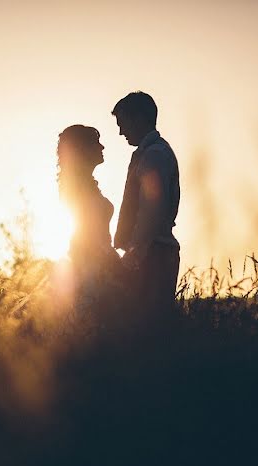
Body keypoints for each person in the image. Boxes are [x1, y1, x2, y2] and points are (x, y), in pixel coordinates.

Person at [111, 91, 181, 313]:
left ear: (139, 119)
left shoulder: (155, 155)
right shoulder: (147, 154)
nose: (121, 132)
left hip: (153, 256)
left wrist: (134, 256)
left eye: (123, 123)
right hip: (149, 253)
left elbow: (152, 210)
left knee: (148, 327)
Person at [56, 124, 121, 299]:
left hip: (99, 263)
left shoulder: (86, 184)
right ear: (83, 150)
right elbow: (86, 232)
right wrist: (110, 258)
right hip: (90, 267)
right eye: (96, 143)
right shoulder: (76, 187)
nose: (102, 147)